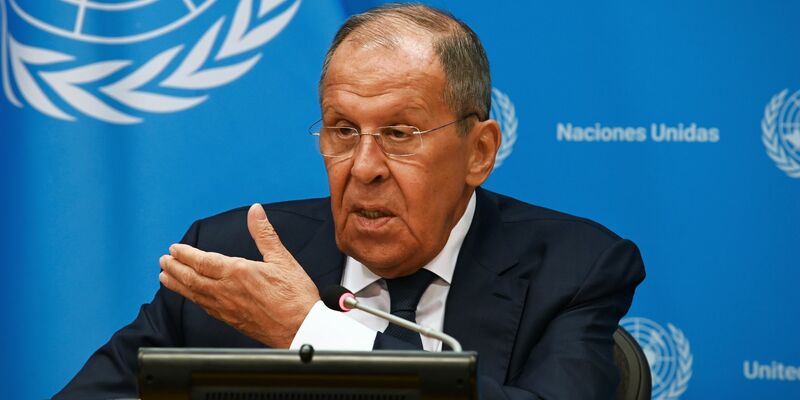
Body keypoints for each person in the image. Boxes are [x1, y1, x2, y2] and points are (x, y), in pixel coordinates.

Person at [55, 4, 645, 399]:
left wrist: (312, 333)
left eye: (400, 134)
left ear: (479, 152)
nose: (363, 167)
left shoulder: (573, 268)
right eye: (342, 130)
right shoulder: (233, 260)